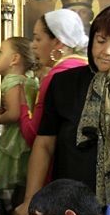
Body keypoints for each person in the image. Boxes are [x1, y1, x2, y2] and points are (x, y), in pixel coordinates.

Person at [14, 4, 110, 215]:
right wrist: (30, 199)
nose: (106, 51)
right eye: (100, 41)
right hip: (71, 206)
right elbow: (44, 144)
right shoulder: (64, 83)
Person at [18, 9, 89, 148]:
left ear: (58, 42)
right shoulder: (88, 68)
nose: (33, 45)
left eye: (38, 39)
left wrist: (22, 102)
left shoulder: (55, 78)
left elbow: (33, 135)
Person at [0, 37, 40, 215]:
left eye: (0, 52)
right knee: (21, 185)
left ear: (14, 59)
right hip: (26, 139)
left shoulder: (11, 81)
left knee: (6, 186)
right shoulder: (29, 80)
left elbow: (13, 114)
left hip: (15, 139)